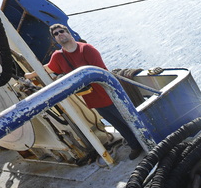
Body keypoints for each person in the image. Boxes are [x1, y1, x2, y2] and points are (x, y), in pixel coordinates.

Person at [25, 23, 143, 159]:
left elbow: (102, 72)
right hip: (94, 100)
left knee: (129, 120)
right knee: (118, 124)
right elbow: (48, 68)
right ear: (55, 39)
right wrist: (30, 75)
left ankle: (147, 140)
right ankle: (135, 145)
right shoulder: (58, 56)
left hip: (110, 94)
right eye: (55, 34)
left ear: (68, 33)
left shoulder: (86, 49)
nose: (59, 35)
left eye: (61, 31)